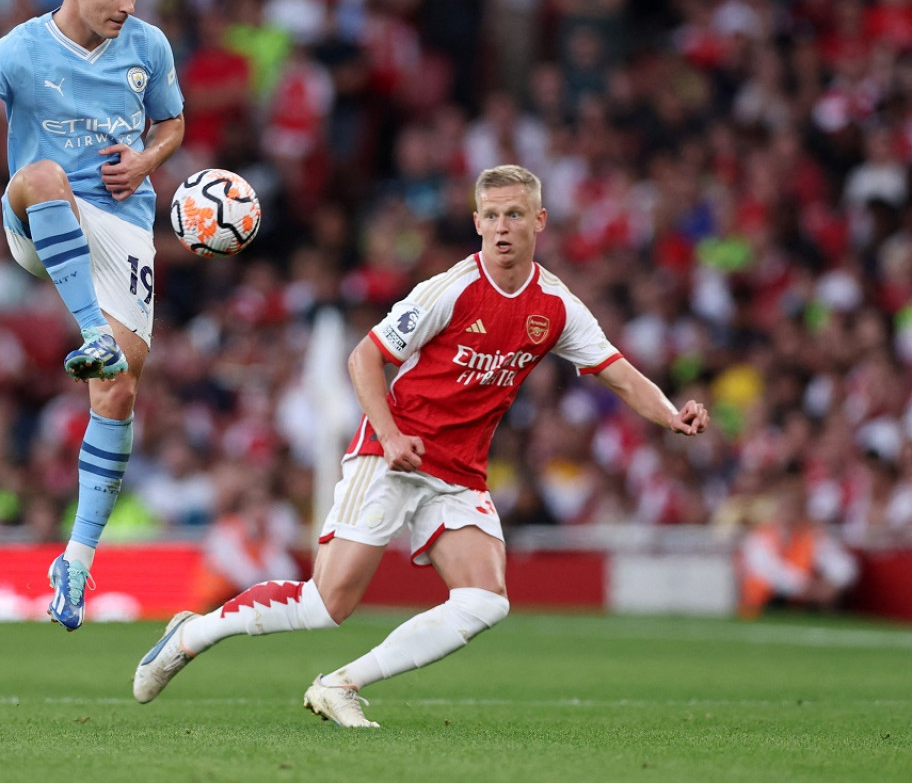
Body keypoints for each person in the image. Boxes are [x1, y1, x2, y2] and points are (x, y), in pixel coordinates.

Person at [133, 164, 709, 726]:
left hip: (458, 472)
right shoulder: (450, 290)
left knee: (486, 599)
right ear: (477, 224)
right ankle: (191, 634)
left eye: (514, 214)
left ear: (540, 220)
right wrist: (388, 435)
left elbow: (618, 372)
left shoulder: (556, 306)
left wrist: (670, 414)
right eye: (491, 216)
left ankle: (341, 685)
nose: (503, 226)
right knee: (325, 606)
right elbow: (365, 357)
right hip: (392, 455)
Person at [0, 0, 185, 630]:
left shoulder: (150, 47)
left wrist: (148, 162)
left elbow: (174, 125)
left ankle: (76, 562)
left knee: (119, 388)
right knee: (40, 173)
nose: (127, 4)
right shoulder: (20, 49)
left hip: (122, 224)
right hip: (40, 215)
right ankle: (92, 330)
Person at [738, 470, 858, 619]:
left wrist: (832, 585)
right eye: (786, 506)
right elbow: (771, 572)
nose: (791, 512)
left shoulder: (813, 535)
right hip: (763, 609)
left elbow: (842, 565)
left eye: (795, 506)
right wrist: (810, 588)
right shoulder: (760, 536)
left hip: (800, 608)